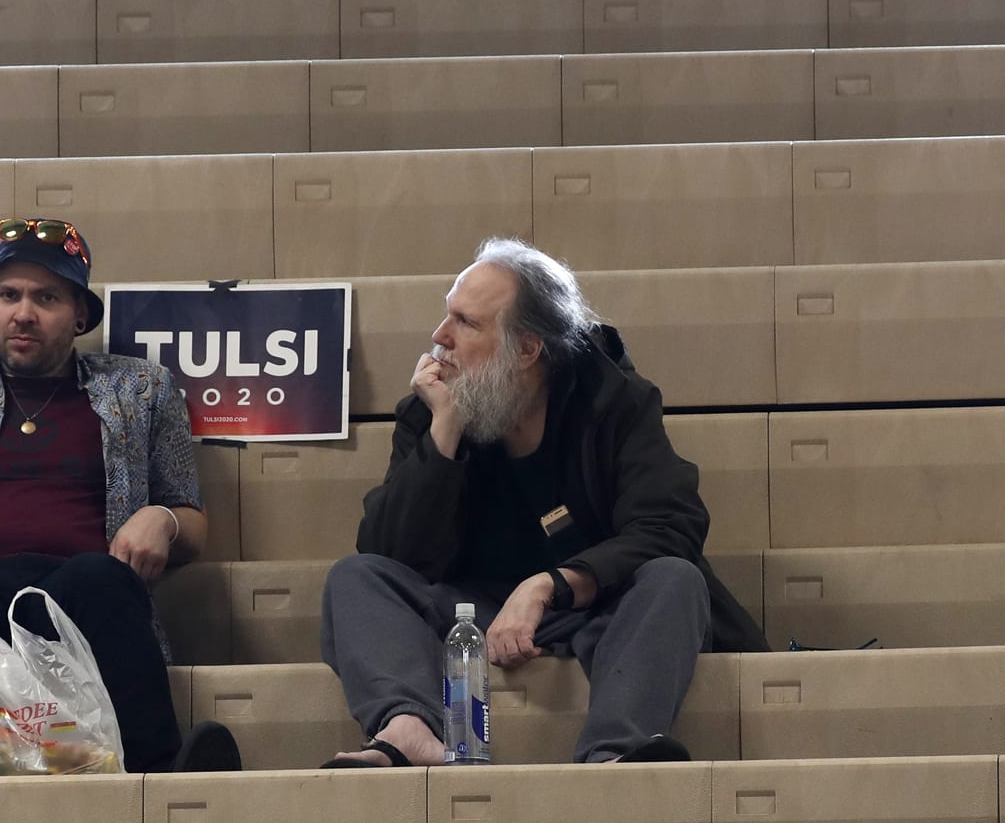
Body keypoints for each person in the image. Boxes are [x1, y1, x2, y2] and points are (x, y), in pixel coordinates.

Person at [319, 237, 767, 768]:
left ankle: (612, 753)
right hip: (472, 612)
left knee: (675, 579)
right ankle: (408, 730)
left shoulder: (613, 400)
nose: (439, 339)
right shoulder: (432, 411)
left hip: (604, 609)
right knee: (356, 577)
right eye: (447, 317)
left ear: (527, 349)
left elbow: (671, 526)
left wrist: (547, 585)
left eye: (466, 323)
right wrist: (445, 432)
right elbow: (389, 553)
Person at [0, 218, 239, 774]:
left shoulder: (141, 388)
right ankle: (32, 759)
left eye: (46, 297)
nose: (23, 312)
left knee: (96, 580)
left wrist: (162, 519)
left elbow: (191, 523)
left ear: (80, 316)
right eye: (9, 295)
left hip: (80, 590)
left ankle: (153, 774)